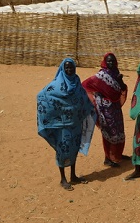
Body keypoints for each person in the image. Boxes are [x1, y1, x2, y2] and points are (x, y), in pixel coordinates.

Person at [36, 57, 96, 190]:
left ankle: (73, 176)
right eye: (67, 67)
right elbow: (42, 96)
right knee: (62, 150)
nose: (69, 70)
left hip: (75, 124)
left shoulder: (77, 83)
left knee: (74, 149)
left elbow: (83, 99)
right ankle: (63, 179)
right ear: (62, 69)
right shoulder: (56, 85)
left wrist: (89, 108)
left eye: (72, 67)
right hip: (62, 126)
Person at [82, 53, 128, 168]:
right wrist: (96, 100)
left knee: (119, 131)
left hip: (115, 108)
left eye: (112, 61)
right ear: (105, 62)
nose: (111, 63)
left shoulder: (116, 73)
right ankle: (108, 158)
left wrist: (120, 81)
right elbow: (85, 85)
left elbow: (122, 88)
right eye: (108, 61)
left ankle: (118, 154)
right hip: (105, 109)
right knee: (108, 132)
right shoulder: (101, 75)